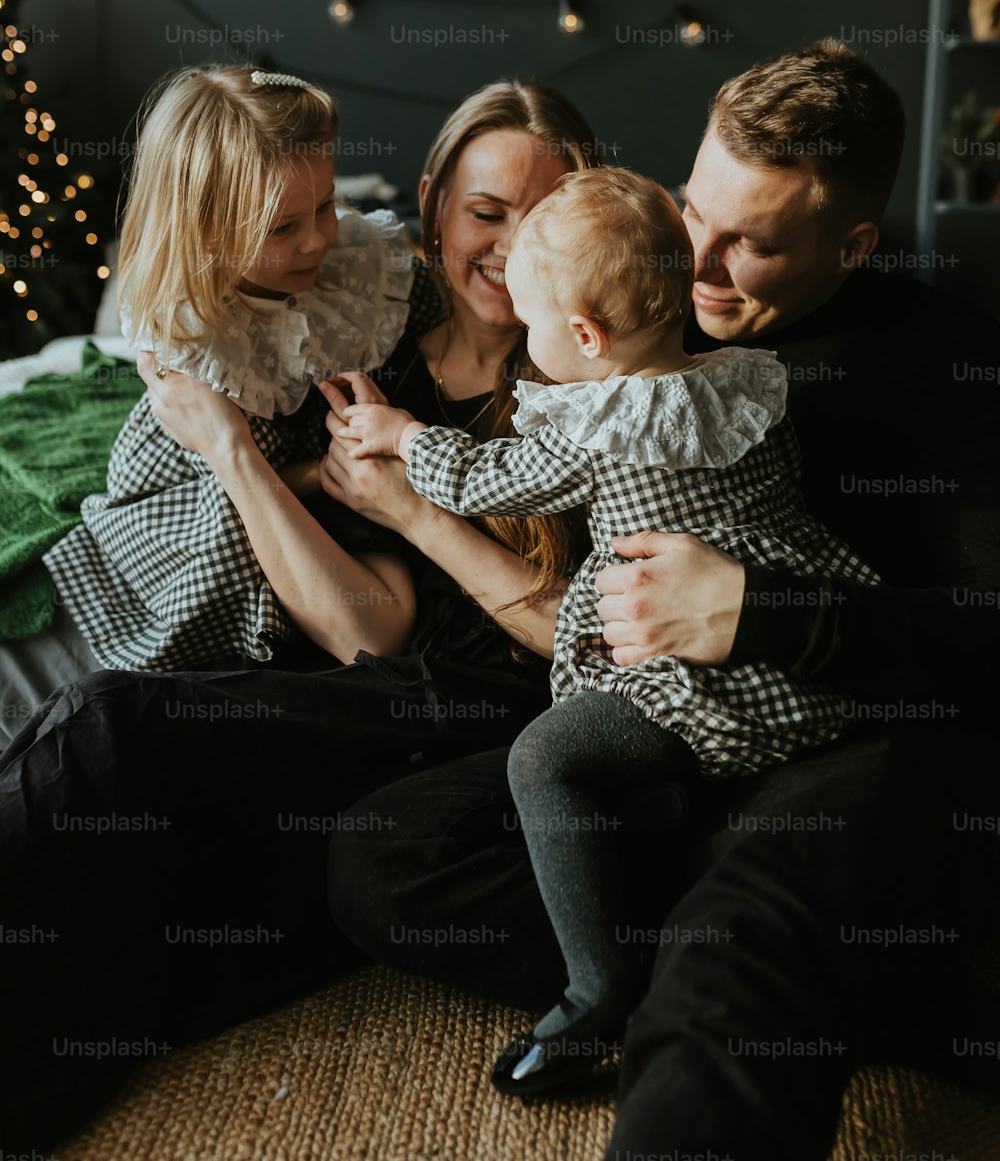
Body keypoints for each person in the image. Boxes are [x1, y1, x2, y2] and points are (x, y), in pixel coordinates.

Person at [327, 40, 1000, 1160]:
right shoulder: (641, 309)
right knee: (388, 851)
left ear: (854, 245)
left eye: (754, 245)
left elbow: (978, 641)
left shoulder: (949, 371)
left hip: (833, 729)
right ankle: (840, 965)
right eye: (695, 212)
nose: (698, 263)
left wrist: (751, 609)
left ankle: (720, 960)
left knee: (736, 941)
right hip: (657, 720)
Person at [0, 78, 605, 1149]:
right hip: (321, 662)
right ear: (429, 206)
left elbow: (377, 631)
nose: (515, 249)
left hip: (439, 705)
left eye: (545, 216)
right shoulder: (364, 333)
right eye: (485, 214)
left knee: (106, 732)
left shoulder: (572, 381)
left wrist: (255, 457)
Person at [335, 164, 882, 1095]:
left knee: (543, 762)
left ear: (584, 338)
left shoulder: (596, 425)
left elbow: (477, 483)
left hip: (688, 675)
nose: (527, 342)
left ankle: (598, 986)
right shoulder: (743, 383)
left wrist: (400, 436)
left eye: (534, 324)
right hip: (801, 656)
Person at [40, 64, 416, 674]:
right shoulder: (198, 350)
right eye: (281, 228)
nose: (317, 241)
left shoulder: (358, 267)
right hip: (211, 504)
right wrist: (317, 476)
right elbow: (212, 500)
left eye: (325, 206)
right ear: (204, 230)